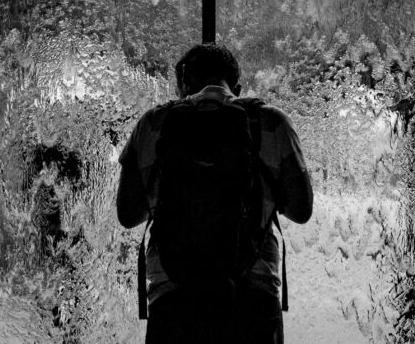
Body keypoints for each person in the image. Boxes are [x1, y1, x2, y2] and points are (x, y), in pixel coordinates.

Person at [116, 43, 313, 344]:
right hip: (252, 297)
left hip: (174, 295)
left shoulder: (153, 124)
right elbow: (302, 210)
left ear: (184, 83)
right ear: (237, 87)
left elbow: (128, 214)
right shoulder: (271, 122)